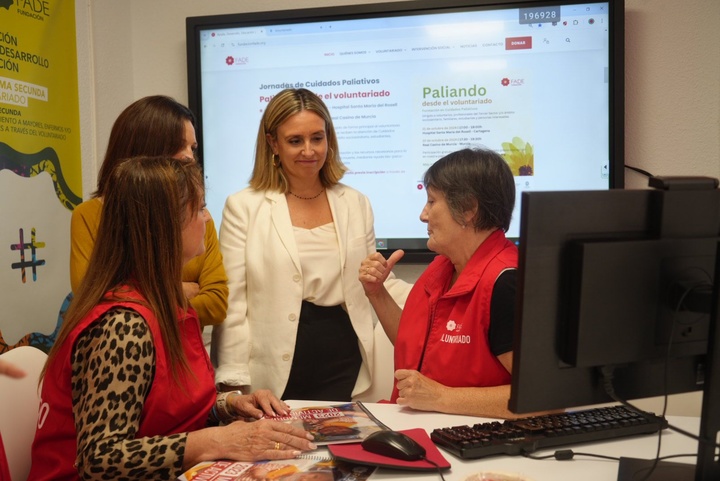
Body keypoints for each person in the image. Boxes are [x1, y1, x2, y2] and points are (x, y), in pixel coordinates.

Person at [30, 157, 316, 480]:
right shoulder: (123, 326)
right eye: (199, 209)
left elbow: (167, 414)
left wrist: (230, 406)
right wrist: (217, 439)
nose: (207, 220)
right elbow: (100, 460)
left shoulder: (167, 304)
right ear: (165, 226)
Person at [212, 88, 410, 401]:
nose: (309, 150)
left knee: (339, 445)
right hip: (272, 364)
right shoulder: (243, 206)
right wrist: (233, 379)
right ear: (273, 143)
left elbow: (369, 281)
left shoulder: (356, 203)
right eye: (295, 140)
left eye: (317, 138)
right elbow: (233, 302)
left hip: (343, 357)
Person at [359, 147, 520, 418]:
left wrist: (441, 397)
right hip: (421, 431)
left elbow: (543, 400)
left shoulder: (507, 282)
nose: (423, 215)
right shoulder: (442, 266)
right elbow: (417, 346)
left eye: (432, 201)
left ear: (468, 209)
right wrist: (377, 294)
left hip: (476, 444)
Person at [70, 95, 228, 328]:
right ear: (143, 150)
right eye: (178, 146)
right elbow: (95, 302)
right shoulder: (89, 215)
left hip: (185, 350)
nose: (189, 157)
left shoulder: (199, 216)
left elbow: (216, 303)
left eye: (192, 147)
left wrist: (139, 296)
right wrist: (181, 289)